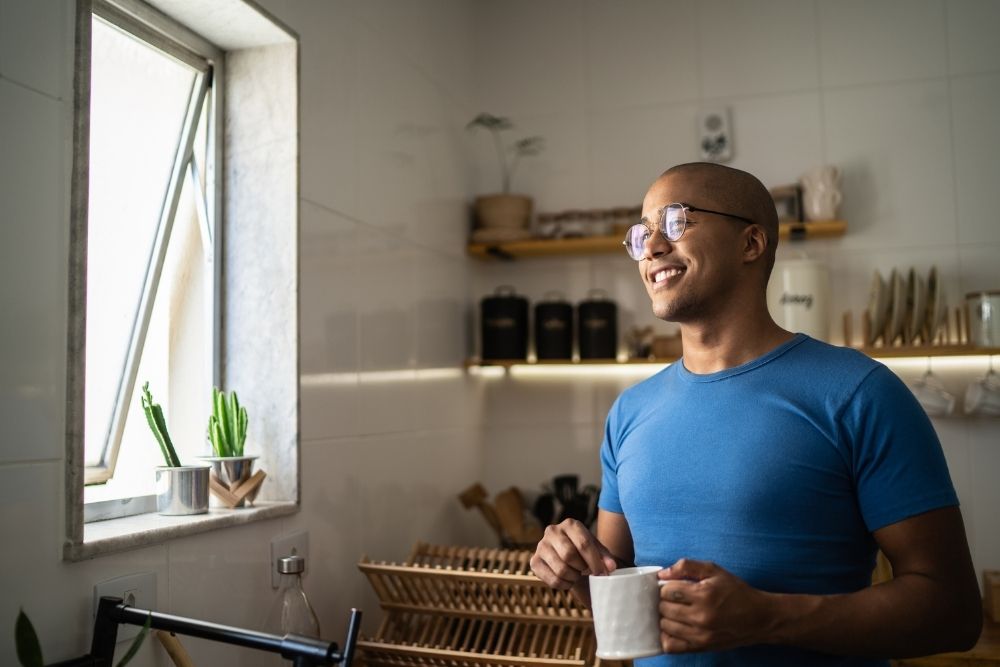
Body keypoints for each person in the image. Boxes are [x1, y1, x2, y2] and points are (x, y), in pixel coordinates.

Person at [529, 162, 982, 665]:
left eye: (677, 221)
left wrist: (768, 616)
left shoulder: (859, 393)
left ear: (751, 243)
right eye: (642, 233)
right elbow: (616, 600)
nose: (652, 247)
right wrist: (571, 567)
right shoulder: (630, 412)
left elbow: (954, 611)